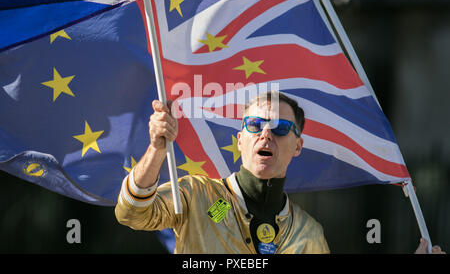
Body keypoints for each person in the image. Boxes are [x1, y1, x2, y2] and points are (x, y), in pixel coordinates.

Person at [115, 91, 444, 254]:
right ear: (240, 139)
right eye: (254, 125)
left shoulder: (308, 235)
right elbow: (132, 212)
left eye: (280, 128)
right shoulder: (200, 197)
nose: (266, 134)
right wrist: (157, 149)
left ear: (297, 146)